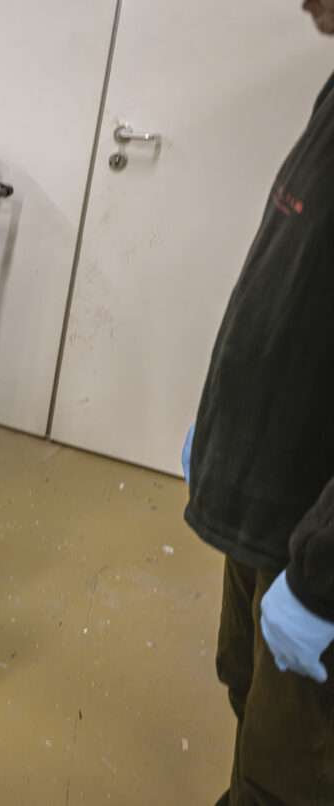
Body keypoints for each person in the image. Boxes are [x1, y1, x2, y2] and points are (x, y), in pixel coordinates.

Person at [183, 1, 334, 802]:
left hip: (316, 538)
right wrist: (221, 426)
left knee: (292, 768)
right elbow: (293, 286)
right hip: (272, 500)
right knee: (248, 694)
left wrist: (322, 577)